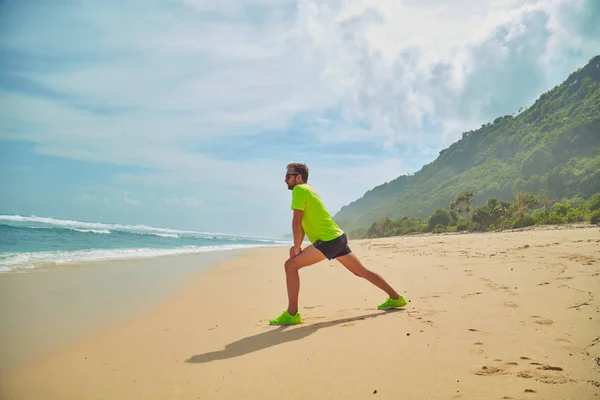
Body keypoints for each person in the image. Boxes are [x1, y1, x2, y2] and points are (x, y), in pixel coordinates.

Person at [269, 163, 407, 325]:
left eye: (288, 176)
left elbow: (297, 222)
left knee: (290, 265)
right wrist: (298, 246)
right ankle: (396, 298)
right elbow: (304, 223)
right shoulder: (309, 190)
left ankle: (292, 314)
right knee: (361, 271)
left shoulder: (299, 190)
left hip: (328, 240)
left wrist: (297, 248)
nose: (285, 180)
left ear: (298, 177)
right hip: (337, 237)